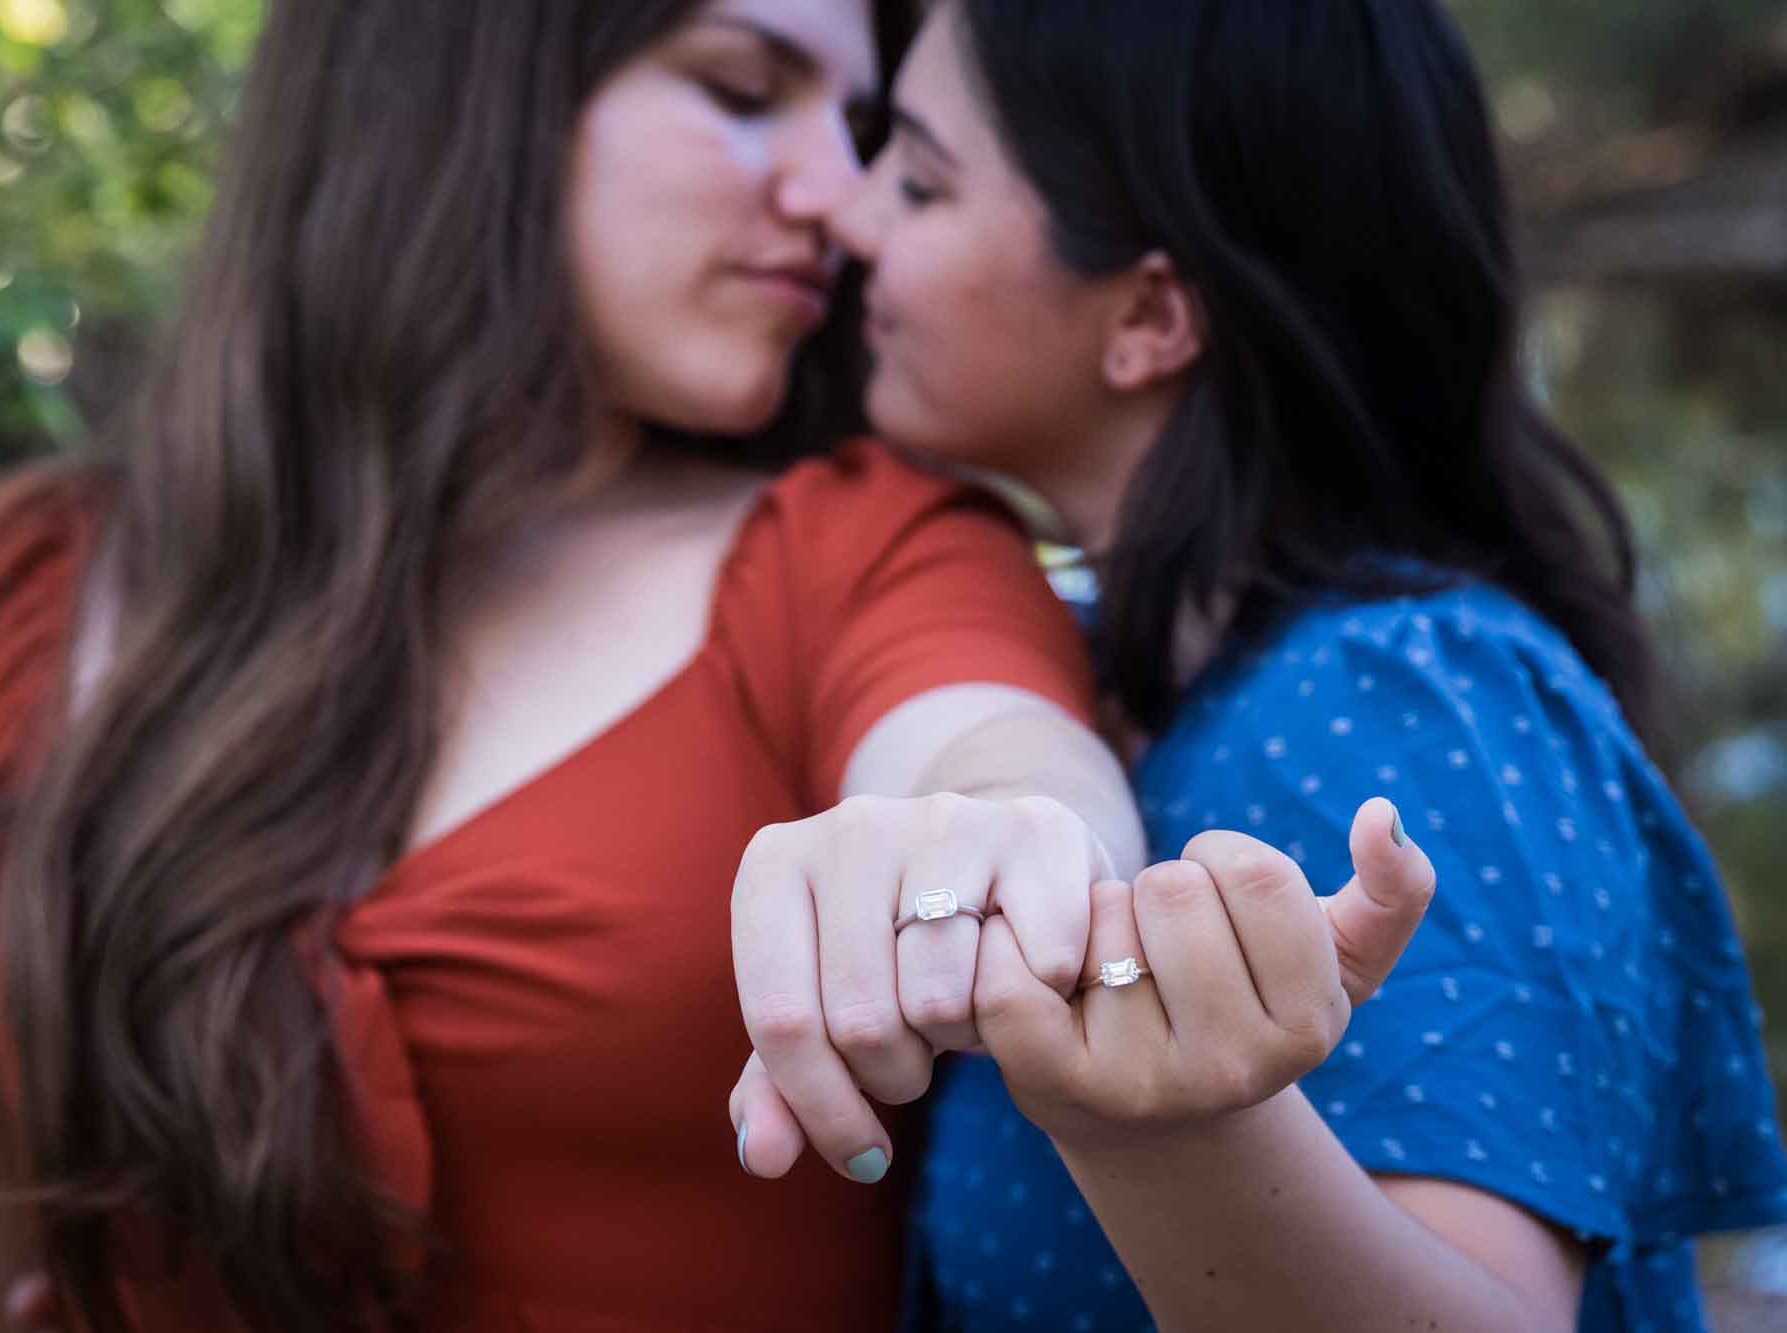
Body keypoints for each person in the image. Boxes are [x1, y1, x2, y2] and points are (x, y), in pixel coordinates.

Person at [0, 2, 1181, 1329]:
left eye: (870, 126)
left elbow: (1000, 768)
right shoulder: (6, 598)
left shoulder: (861, 548)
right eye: (745, 92)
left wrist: (987, 846)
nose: (842, 197)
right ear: (454, 89)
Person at [729, 1, 1787, 1329]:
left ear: (1150, 315)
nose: (851, 215)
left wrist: (1166, 1128)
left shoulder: (1400, 697)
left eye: (923, 180)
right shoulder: (1146, 679)